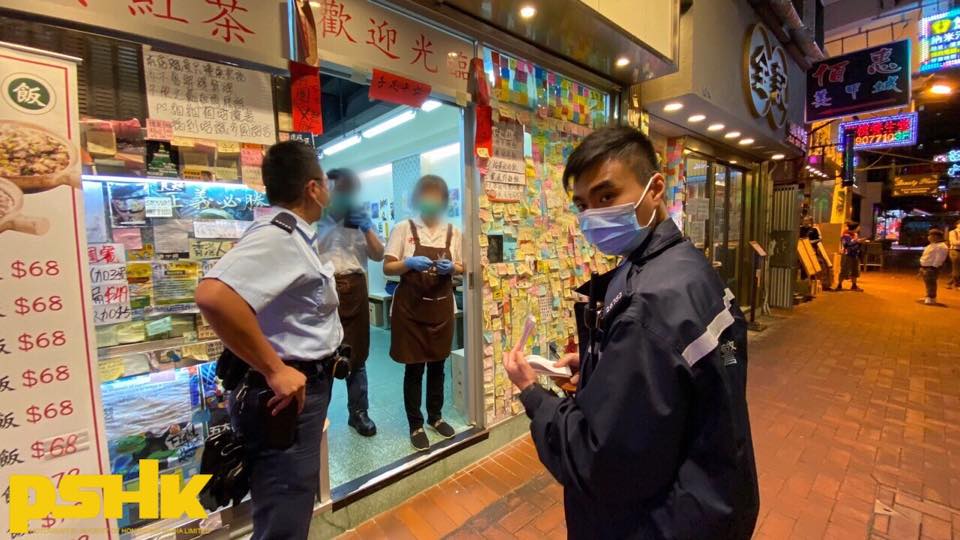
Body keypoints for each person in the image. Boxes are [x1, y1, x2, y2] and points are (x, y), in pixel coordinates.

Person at [502, 127, 759, 539]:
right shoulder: (684, 266)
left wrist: (533, 393)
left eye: (607, 196)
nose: (594, 216)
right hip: (708, 499)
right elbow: (668, 389)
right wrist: (596, 368)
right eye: (583, 205)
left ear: (654, 188)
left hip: (659, 522)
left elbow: (597, 461)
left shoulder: (649, 303)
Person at [195, 140, 340, 540]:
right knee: (285, 511)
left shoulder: (294, 235)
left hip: (303, 388)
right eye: (325, 181)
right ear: (313, 188)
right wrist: (275, 369)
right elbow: (212, 295)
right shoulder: (281, 237)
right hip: (287, 397)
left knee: (287, 502)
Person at [383, 175, 463, 451]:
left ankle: (436, 417)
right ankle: (415, 423)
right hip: (410, 310)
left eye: (436, 196)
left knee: (439, 366)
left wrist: (453, 269)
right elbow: (388, 267)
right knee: (414, 368)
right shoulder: (403, 228)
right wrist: (408, 262)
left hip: (441, 309)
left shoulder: (454, 231)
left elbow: (463, 268)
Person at [316, 168, 384, 437]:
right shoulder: (316, 218)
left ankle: (359, 413)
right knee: (323, 355)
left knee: (357, 354)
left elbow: (379, 255)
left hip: (355, 286)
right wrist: (331, 226)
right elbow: (308, 251)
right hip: (323, 287)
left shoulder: (361, 216)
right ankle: (317, 417)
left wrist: (366, 228)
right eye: (336, 190)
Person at [801, 215, 833, 291]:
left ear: (810, 221)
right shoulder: (800, 229)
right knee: (803, 267)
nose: (805, 222)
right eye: (804, 220)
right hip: (802, 251)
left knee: (818, 265)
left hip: (813, 251)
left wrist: (811, 242)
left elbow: (819, 239)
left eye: (806, 220)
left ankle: (818, 283)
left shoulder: (814, 229)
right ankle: (804, 283)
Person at [919, 228, 949, 305]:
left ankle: (931, 298)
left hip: (931, 268)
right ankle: (928, 296)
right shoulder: (931, 245)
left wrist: (933, 267)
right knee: (928, 283)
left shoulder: (941, 246)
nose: (929, 237)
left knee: (931, 284)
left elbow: (939, 259)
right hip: (925, 267)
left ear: (936, 237)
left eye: (931, 235)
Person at [837, 221, 866, 292]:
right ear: (854, 228)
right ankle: (839, 285)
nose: (859, 229)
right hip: (847, 255)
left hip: (855, 254)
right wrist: (857, 241)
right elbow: (847, 244)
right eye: (858, 227)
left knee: (855, 271)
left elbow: (855, 243)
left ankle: (854, 285)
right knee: (844, 270)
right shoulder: (845, 235)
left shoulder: (855, 234)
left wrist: (859, 242)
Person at [948, 220, 960, 289]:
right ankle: (957, 284)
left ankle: (950, 282)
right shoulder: (953, 232)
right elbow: (953, 242)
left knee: (956, 269)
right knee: (956, 268)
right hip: (955, 251)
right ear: (957, 225)